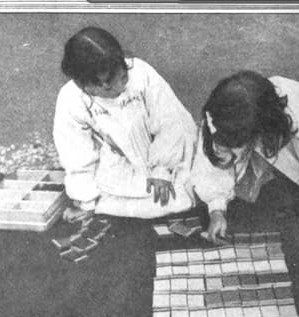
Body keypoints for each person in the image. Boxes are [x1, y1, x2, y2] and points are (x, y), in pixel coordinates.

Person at [191, 70, 299, 243]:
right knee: (232, 162)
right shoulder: (221, 113)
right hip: (265, 127)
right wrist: (217, 209)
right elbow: (212, 157)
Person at [53, 26, 197, 220]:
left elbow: (170, 120)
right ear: (85, 85)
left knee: (180, 198)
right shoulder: (71, 98)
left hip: (159, 154)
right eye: (109, 86)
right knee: (108, 205)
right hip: (117, 164)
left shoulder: (141, 72)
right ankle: (103, 203)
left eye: (123, 77)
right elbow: (76, 155)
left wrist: (162, 168)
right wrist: (86, 201)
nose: (120, 87)